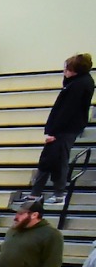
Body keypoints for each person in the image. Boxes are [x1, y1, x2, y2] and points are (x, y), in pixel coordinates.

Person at [33, 52, 94, 200]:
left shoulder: (79, 85)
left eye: (67, 69)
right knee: (47, 159)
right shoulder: (76, 83)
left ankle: (59, 194)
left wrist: (54, 131)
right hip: (63, 128)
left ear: (75, 70)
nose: (64, 72)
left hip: (65, 129)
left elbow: (68, 110)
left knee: (59, 160)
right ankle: (35, 194)